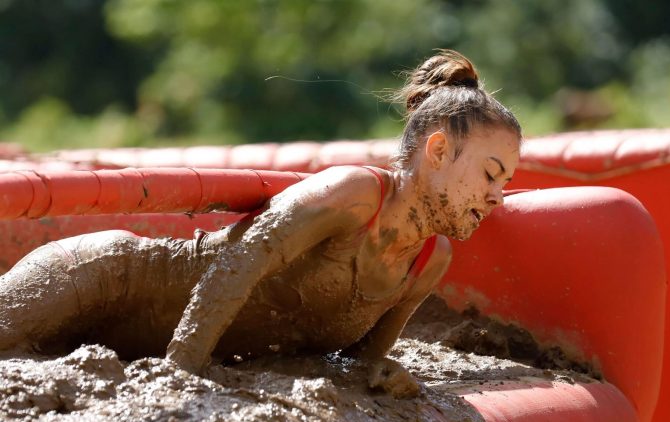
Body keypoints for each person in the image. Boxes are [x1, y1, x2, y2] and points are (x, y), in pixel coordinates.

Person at [0, 50, 521, 397]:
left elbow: (357, 367)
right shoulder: (353, 195)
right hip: (101, 277)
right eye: (491, 174)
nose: (498, 196)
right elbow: (238, 262)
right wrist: (178, 375)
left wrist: (389, 380)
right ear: (437, 151)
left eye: (505, 182)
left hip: (130, 349)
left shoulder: (430, 260)